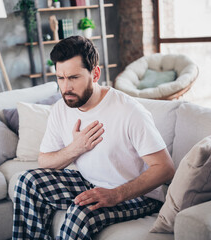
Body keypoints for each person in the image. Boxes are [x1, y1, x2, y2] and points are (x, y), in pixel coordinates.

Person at [12, 36, 175, 240]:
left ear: (95, 73)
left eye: (73, 78)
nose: (66, 87)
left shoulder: (129, 111)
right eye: (60, 78)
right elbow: (44, 160)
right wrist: (76, 148)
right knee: (25, 182)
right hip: (89, 182)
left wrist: (116, 194)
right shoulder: (61, 109)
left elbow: (165, 168)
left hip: (138, 196)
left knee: (80, 213)